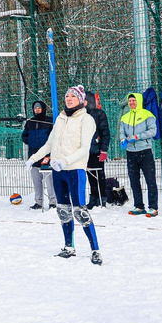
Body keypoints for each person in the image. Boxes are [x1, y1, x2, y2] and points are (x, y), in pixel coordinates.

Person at [26, 85, 102, 264]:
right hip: (58, 171)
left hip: (74, 171)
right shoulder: (60, 118)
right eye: (67, 96)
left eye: (73, 97)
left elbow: (85, 148)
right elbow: (49, 144)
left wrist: (65, 161)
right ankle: (69, 247)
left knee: (80, 212)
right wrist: (33, 159)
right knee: (63, 210)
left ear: (81, 100)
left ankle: (95, 250)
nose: (68, 99)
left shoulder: (87, 120)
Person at [119, 92, 159, 217]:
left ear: (139, 101)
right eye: (130, 101)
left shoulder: (148, 115)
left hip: (145, 151)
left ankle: (153, 207)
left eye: (134, 100)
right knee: (134, 180)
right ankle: (139, 206)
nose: (132, 103)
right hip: (131, 153)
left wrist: (137, 137)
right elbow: (121, 132)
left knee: (150, 179)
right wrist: (122, 140)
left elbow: (153, 131)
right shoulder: (124, 117)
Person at [21, 100, 54, 210]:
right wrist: (30, 140)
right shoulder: (30, 122)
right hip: (33, 155)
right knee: (36, 180)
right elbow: (24, 136)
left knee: (49, 180)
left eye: (39, 108)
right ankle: (38, 202)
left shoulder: (50, 121)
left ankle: (53, 201)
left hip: (47, 155)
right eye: (35, 108)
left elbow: (53, 137)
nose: (37, 110)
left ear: (43, 108)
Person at [85, 91, 110, 209]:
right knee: (90, 175)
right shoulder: (81, 114)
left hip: (96, 149)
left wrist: (103, 150)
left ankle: (102, 197)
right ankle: (93, 197)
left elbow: (105, 132)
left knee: (99, 174)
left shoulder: (99, 114)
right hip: (85, 151)